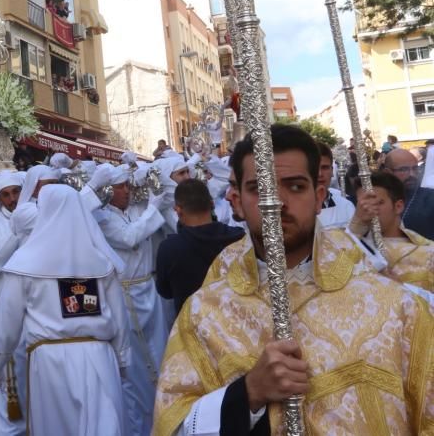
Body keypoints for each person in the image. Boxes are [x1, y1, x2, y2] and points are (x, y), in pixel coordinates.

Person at [153, 124, 434, 435]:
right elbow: (171, 424)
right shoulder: (204, 314)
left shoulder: (395, 308)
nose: (277, 203)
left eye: (295, 186)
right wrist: (247, 395)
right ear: (238, 200)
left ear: (319, 196)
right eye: (260, 188)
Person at [0, 184, 130, 436]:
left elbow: (6, 324)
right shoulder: (101, 261)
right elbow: (119, 318)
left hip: (51, 364)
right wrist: (122, 359)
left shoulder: (25, 263)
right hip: (98, 357)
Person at [83, 163, 167, 436]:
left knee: (160, 353)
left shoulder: (133, 212)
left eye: (128, 185)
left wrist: (153, 198)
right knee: (137, 368)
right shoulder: (103, 219)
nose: (127, 191)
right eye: (120, 187)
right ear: (108, 190)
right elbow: (130, 238)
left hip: (148, 294)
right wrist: (154, 208)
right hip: (127, 297)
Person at [155, 179, 244, 315]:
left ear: (178, 210)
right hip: (235, 322)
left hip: (191, 325)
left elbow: (165, 292)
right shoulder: (239, 237)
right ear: (212, 203)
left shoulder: (169, 248)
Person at [348, 170, 434, 293]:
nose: (368, 209)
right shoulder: (352, 247)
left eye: (377, 203)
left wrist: (401, 288)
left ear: (398, 206)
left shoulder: (428, 252)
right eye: (362, 204)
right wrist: (354, 229)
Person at [384, 147, 434, 239]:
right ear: (388, 172)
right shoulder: (380, 199)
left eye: (415, 168)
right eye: (403, 169)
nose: (412, 174)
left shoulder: (430, 197)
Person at [316, 142, 355, 228]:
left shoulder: (346, 206)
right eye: (314, 168)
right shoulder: (295, 209)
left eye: (325, 167)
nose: (319, 174)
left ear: (332, 171)